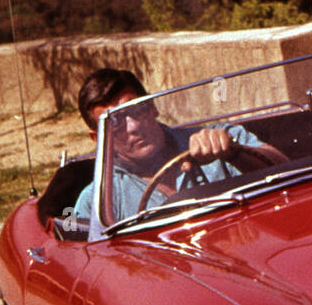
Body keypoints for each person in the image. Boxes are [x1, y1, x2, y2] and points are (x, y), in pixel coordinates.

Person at [72, 67, 285, 223]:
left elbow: (284, 167)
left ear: (153, 107)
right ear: (98, 139)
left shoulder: (219, 137)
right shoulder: (98, 201)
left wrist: (234, 153)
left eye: (138, 110)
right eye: (116, 122)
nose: (134, 126)